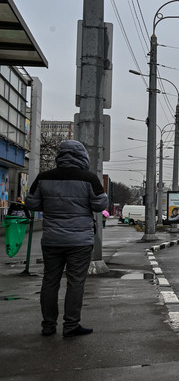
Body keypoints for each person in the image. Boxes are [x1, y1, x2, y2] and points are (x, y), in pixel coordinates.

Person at [25, 140, 108, 337]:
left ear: (60, 155)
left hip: (52, 239)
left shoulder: (44, 178)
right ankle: (71, 325)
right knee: (76, 282)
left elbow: (31, 203)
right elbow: (100, 205)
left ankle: (48, 326)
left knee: (50, 281)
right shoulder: (89, 179)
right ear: (82, 157)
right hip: (80, 241)